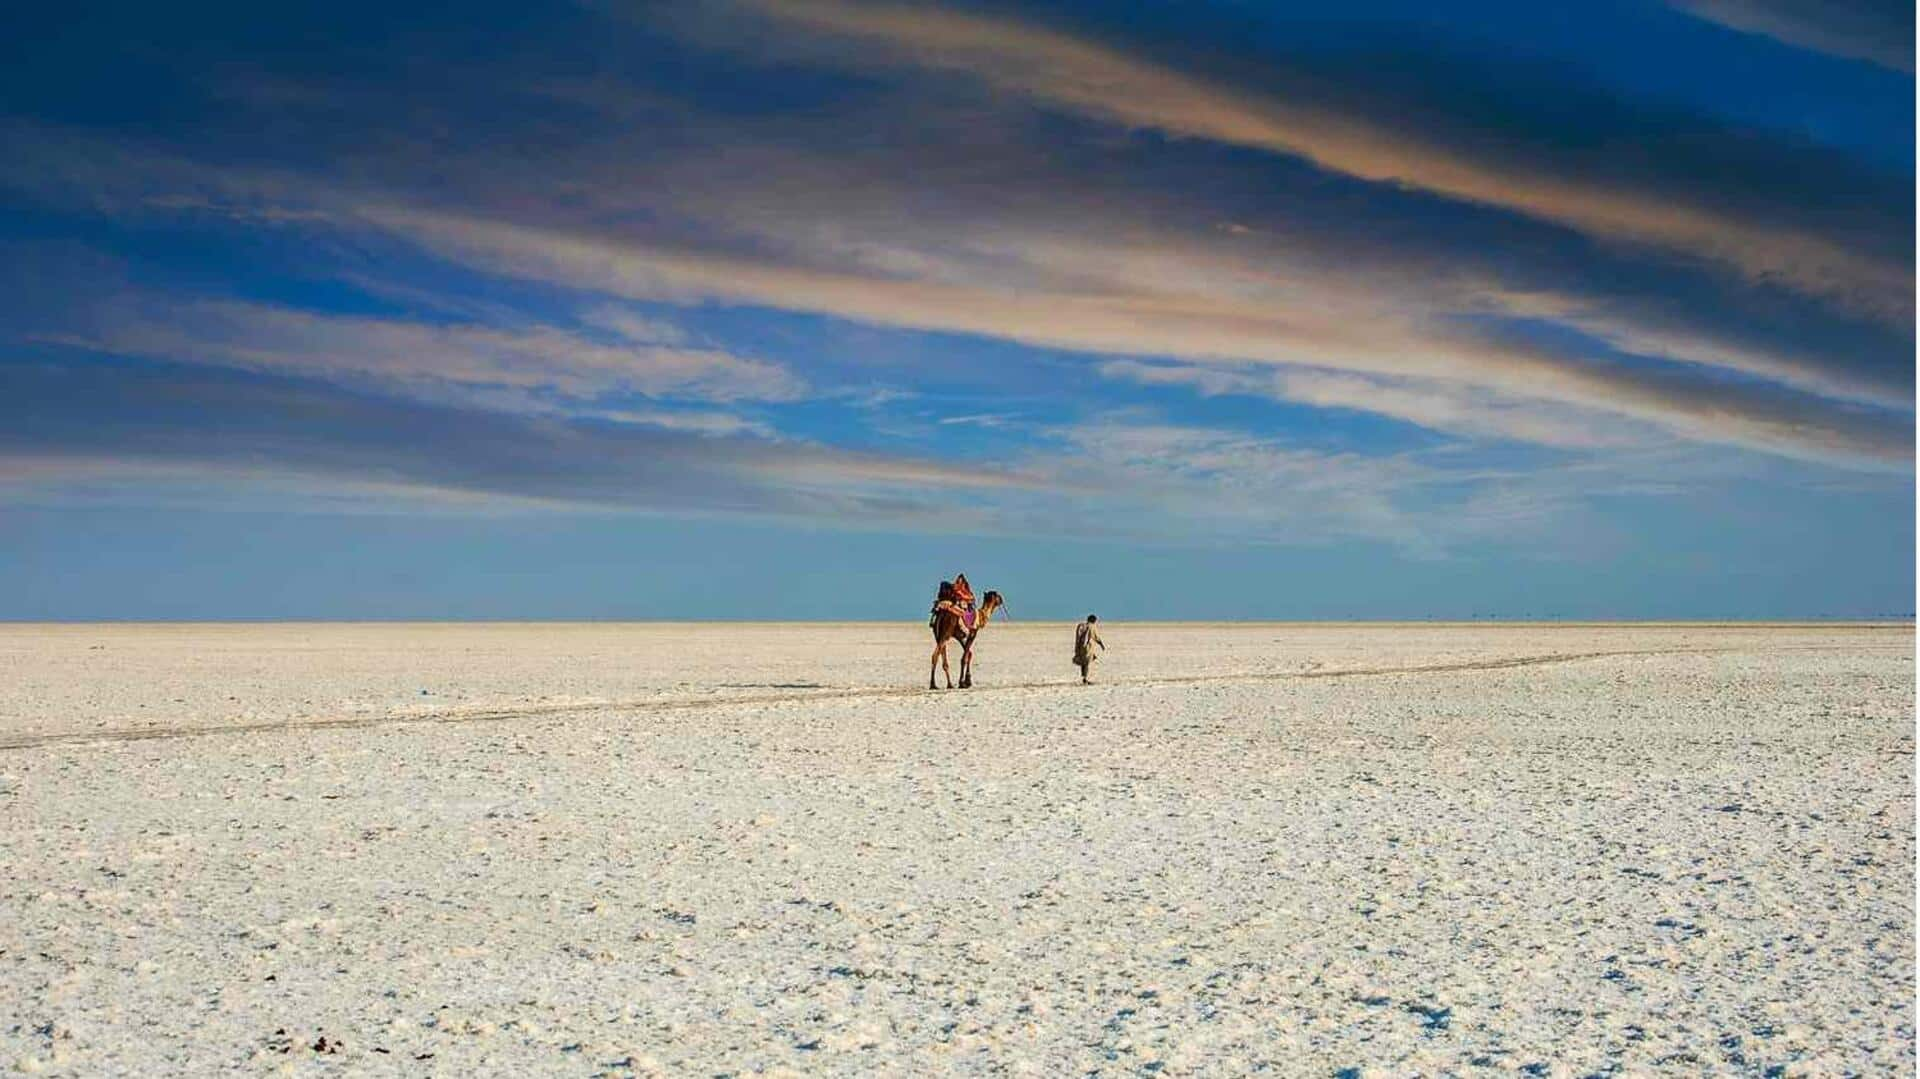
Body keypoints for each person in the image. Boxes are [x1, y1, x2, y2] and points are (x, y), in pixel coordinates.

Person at [1073, 614, 1104, 684]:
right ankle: (1085, 679)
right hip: (1088, 648)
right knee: (1086, 663)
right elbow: (1096, 637)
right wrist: (1101, 644)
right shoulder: (1092, 627)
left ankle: (1084, 677)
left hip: (1080, 647)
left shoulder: (1082, 626)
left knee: (1083, 663)